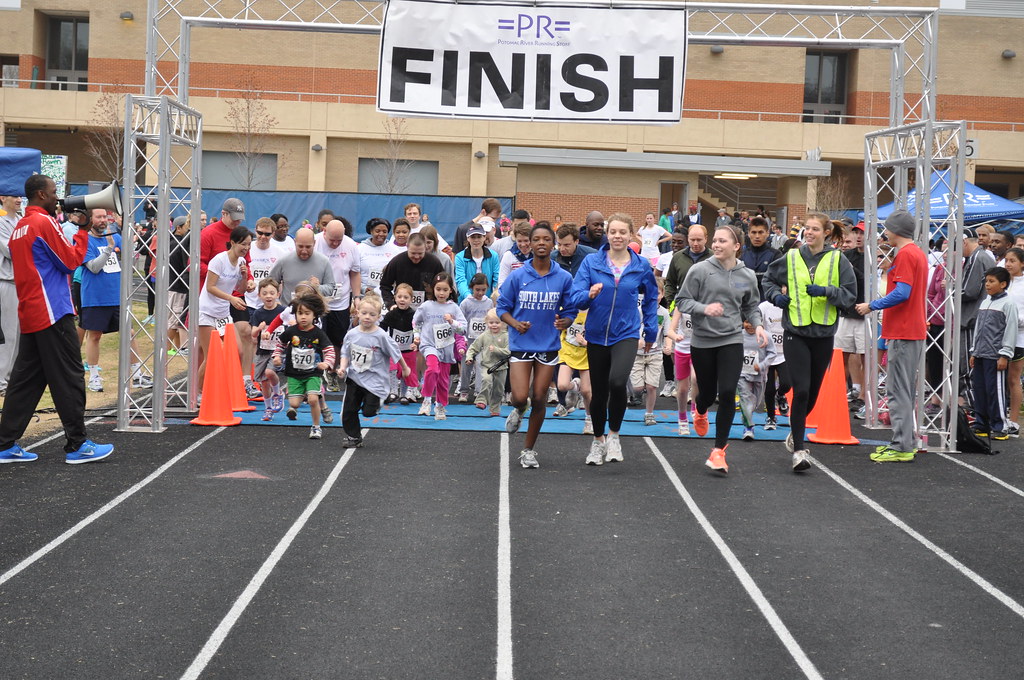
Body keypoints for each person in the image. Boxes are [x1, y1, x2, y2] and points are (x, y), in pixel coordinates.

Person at [0, 174, 113, 465]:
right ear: (40, 194)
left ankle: (5, 443)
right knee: (70, 376)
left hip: (31, 310)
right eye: (52, 192)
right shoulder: (43, 222)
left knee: (25, 381)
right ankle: (78, 444)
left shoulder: (20, 227)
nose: (56, 197)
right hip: (52, 310)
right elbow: (70, 261)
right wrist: (83, 231)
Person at [763, 212, 857, 471]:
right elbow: (768, 279)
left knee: (812, 395)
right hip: (795, 331)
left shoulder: (838, 259)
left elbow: (850, 295)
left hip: (823, 334)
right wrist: (775, 296)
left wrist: (826, 292)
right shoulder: (792, 256)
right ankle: (799, 451)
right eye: (807, 228)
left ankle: (796, 428)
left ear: (826, 233)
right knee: (801, 390)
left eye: (815, 229)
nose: (809, 233)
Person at [677, 224, 769, 474]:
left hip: (731, 340)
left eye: (722, 241)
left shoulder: (747, 275)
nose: (716, 245)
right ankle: (701, 410)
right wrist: (704, 308)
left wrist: (759, 326)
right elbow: (682, 301)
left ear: (736, 246)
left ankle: (719, 451)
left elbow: (751, 306)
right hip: (703, 341)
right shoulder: (700, 270)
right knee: (707, 394)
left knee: (728, 392)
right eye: (715, 240)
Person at [570, 213, 659, 465]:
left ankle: (614, 436)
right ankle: (598, 441)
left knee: (618, 382)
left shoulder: (641, 265)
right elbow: (576, 297)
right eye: (613, 232)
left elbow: (651, 297)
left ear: (631, 235)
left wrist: (651, 330)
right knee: (599, 392)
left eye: (622, 232)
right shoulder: (592, 262)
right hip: (597, 334)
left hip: (626, 333)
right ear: (607, 235)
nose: (617, 236)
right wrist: (589, 295)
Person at [497, 223, 577, 468]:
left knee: (540, 397)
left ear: (554, 244)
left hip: (548, 345)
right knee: (520, 397)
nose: (541, 243)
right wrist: (515, 323)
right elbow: (502, 308)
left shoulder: (563, 277)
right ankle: (519, 410)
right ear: (529, 244)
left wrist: (566, 320)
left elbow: (571, 308)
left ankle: (528, 450)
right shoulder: (518, 276)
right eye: (537, 239)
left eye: (546, 239)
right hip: (521, 344)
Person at [855, 210, 929, 462]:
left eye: (887, 228)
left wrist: (872, 305)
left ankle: (901, 446)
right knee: (902, 389)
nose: (885, 232)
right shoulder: (915, 253)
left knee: (898, 390)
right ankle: (905, 442)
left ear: (896, 230)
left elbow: (902, 293)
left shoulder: (906, 254)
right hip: (908, 330)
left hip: (904, 331)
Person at [79, 207, 153, 393]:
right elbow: (94, 267)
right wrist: (109, 248)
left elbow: (130, 258)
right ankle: (94, 377)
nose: (103, 220)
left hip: (117, 296)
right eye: (99, 217)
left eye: (105, 217)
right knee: (95, 335)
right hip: (95, 297)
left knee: (129, 333)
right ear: (90, 219)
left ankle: (137, 374)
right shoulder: (84, 240)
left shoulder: (114, 236)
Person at [337, 294, 411, 448]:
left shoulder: (381, 336)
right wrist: (343, 367)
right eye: (364, 313)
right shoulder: (351, 334)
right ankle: (354, 436)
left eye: (372, 314)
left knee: (368, 412)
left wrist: (405, 368)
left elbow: (395, 352)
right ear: (357, 313)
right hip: (355, 377)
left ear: (378, 317)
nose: (367, 317)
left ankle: (379, 401)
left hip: (375, 380)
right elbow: (345, 353)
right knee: (348, 410)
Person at [196, 225, 255, 393]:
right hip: (207, 311)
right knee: (212, 356)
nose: (246, 248)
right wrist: (231, 298)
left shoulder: (241, 262)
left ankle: (228, 386)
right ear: (233, 243)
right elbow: (210, 287)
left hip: (223, 313)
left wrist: (245, 277)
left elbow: (240, 290)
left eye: (249, 244)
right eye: (243, 244)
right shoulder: (219, 260)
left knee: (238, 351)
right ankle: (198, 392)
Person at [273, 290, 335, 440]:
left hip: (313, 372)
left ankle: (316, 427)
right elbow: (280, 343)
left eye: (307, 313)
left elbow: (329, 349)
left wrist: (327, 363)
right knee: (294, 403)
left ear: (314, 315)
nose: (303, 317)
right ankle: (306, 400)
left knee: (313, 399)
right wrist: (277, 356)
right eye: (300, 313)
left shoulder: (318, 333)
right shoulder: (291, 331)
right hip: (294, 373)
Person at [242, 217, 290, 398]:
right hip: (250, 302)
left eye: (267, 234)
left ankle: (269, 379)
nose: (263, 237)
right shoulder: (248, 249)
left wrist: (278, 298)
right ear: (255, 231)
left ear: (273, 233)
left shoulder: (279, 252)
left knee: (269, 341)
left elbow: (283, 279)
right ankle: (249, 379)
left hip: (271, 305)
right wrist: (247, 283)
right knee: (251, 340)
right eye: (260, 233)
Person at [969, 267, 1017, 440]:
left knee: (995, 391)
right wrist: (974, 351)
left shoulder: (1008, 304)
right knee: (979, 389)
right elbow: (977, 329)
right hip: (980, 353)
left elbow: (1011, 329)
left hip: (995, 356)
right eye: (986, 281)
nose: (987, 285)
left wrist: (1005, 354)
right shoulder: (985, 302)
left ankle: (1000, 425)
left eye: (991, 281)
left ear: (1003, 284)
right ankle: (981, 423)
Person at [314, 218, 363, 391]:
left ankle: (332, 372)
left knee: (337, 339)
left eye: (338, 240)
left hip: (340, 302)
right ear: (324, 232)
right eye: (332, 240)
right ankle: (314, 375)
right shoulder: (315, 243)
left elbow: (354, 273)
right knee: (316, 338)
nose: (335, 244)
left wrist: (357, 297)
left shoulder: (350, 245)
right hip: (318, 301)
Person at [413, 272, 466, 420]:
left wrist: (452, 322)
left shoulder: (454, 308)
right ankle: (426, 400)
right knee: (432, 369)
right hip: (429, 345)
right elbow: (416, 322)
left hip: (446, 348)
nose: (441, 293)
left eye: (445, 290)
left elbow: (463, 329)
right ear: (433, 289)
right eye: (438, 289)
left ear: (450, 291)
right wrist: (417, 336)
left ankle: (440, 406)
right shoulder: (426, 306)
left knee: (443, 380)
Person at [630, 279, 668, 426]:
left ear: (662, 294)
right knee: (637, 388)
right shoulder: (639, 311)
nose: (654, 296)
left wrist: (668, 345)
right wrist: (637, 340)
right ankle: (636, 389)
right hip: (638, 354)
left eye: (657, 293)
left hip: (655, 353)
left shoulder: (664, 313)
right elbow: (631, 329)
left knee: (652, 386)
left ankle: (649, 414)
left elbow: (667, 332)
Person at [250, 278, 287, 421]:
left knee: (270, 372)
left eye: (272, 293)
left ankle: (277, 393)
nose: (268, 296)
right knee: (264, 382)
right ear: (259, 295)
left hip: (277, 350)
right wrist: (259, 328)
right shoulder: (258, 313)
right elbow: (253, 334)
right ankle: (268, 408)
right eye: (264, 293)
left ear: (278, 294)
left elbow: (290, 326)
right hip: (262, 350)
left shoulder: (283, 311)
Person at [268, 227, 335, 304]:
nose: (304, 251)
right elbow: (271, 283)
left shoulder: (324, 261)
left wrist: (316, 288)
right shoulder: (284, 261)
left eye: (308, 247)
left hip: (313, 309)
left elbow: (331, 288)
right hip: (289, 309)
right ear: (294, 242)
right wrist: (275, 302)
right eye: (300, 246)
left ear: (314, 243)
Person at [379, 232, 444, 311]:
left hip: (428, 310)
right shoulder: (397, 262)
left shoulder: (434, 262)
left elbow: (443, 284)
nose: (416, 257)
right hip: (402, 310)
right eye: (413, 253)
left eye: (420, 253)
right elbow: (385, 285)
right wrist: (391, 305)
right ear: (407, 246)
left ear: (425, 247)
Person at [465, 309, 511, 416]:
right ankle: (481, 400)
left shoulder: (506, 336)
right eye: (491, 322)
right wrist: (469, 357)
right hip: (487, 366)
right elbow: (473, 347)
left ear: (503, 323)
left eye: (497, 322)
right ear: (486, 322)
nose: (494, 325)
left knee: (498, 389)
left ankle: (495, 409)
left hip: (501, 367)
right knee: (486, 380)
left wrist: (496, 349)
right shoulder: (484, 336)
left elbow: (509, 351)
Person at [380, 283, 420, 404]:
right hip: (394, 349)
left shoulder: (414, 315)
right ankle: (393, 391)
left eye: (406, 297)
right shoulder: (391, 314)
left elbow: (418, 330)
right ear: (395, 298)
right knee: (392, 368)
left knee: (405, 371)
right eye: (400, 297)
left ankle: (403, 394)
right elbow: (382, 328)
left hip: (409, 350)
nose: (402, 300)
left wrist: (416, 342)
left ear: (411, 299)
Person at [554, 309, 593, 432]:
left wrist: (586, 342)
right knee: (562, 385)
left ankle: (589, 420)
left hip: (587, 354)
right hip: (568, 351)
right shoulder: (568, 309)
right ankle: (575, 386)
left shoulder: (596, 311)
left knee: (586, 391)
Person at [737, 320, 776, 440]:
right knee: (745, 398)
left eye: (752, 322)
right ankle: (748, 428)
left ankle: (747, 412)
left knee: (755, 403)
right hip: (742, 374)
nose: (750, 325)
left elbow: (772, 353)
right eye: (747, 322)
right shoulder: (738, 335)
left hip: (760, 375)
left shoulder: (766, 335)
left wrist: (762, 365)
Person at [458, 273, 494, 403]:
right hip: (468, 340)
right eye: (477, 289)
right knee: (466, 366)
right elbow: (460, 322)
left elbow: (491, 320)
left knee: (480, 364)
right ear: (471, 288)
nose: (480, 293)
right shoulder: (465, 303)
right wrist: (462, 339)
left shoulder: (489, 303)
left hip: (482, 341)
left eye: (483, 290)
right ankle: (464, 391)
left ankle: (479, 392)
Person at [0, 193, 23, 393]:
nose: (19, 199)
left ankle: (11, 379)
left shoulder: (20, 219)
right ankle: (2, 381)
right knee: (8, 334)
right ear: (2, 198)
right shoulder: (1, 221)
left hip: (21, 282)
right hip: (6, 281)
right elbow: (11, 250)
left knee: (19, 333)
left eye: (20, 196)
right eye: (14, 195)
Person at [1002, 247, 1024, 437]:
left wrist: (1014, 321)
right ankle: (998, 418)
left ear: (1022, 264)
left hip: (1018, 337)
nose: (1008, 264)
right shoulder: (1002, 282)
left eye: (1013, 261)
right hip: (998, 337)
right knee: (997, 378)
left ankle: (1014, 422)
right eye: (1006, 260)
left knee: (1013, 379)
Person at [663, 223, 711, 303]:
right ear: (688, 238)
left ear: (706, 239)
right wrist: (669, 303)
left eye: (699, 240)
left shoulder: (714, 258)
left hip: (707, 306)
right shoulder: (677, 257)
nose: (695, 243)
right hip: (683, 305)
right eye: (692, 240)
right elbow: (670, 283)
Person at [665, 306, 694, 435]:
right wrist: (676, 336)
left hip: (698, 348)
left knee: (696, 378)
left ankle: (695, 409)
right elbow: (670, 331)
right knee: (682, 389)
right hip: (682, 349)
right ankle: (682, 418)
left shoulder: (704, 304)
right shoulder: (681, 306)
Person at [166, 215, 192, 357]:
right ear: (179, 228)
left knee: (175, 320)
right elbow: (182, 267)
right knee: (174, 321)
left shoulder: (172, 242)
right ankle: (166, 347)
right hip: (178, 287)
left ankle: (174, 347)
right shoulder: (177, 244)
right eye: (187, 226)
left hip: (174, 285)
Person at [454, 223, 499, 301]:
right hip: (466, 300)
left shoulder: (493, 256)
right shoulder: (460, 257)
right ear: (468, 238)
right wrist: (468, 296)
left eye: (479, 237)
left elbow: (496, 278)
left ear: (484, 237)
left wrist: (493, 295)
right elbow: (460, 280)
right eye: (473, 237)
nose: (476, 240)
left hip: (488, 300)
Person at [740, 216, 780, 300]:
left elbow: (777, 281)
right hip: (746, 302)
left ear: (767, 233)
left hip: (768, 302)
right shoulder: (742, 255)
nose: (757, 236)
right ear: (748, 233)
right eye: (754, 232)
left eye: (761, 232)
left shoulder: (776, 255)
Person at [359, 217, 401, 295]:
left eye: (384, 232)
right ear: (371, 231)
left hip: (387, 294)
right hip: (365, 295)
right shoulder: (360, 249)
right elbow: (354, 273)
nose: (381, 234)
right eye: (377, 231)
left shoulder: (395, 250)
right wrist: (363, 288)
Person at [497, 221, 532, 290]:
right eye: (519, 241)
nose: (523, 244)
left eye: (526, 241)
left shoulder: (537, 256)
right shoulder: (509, 255)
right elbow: (502, 283)